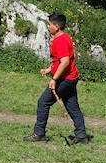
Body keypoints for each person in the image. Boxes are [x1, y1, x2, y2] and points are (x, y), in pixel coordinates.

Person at [24, 13, 91, 145]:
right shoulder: (65, 37)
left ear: (57, 26)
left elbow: (65, 62)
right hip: (71, 77)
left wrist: (54, 79)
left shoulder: (60, 40)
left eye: (50, 24)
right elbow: (60, 60)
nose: (48, 27)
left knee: (43, 102)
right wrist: (50, 69)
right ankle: (81, 135)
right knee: (72, 106)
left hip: (64, 79)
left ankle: (39, 133)